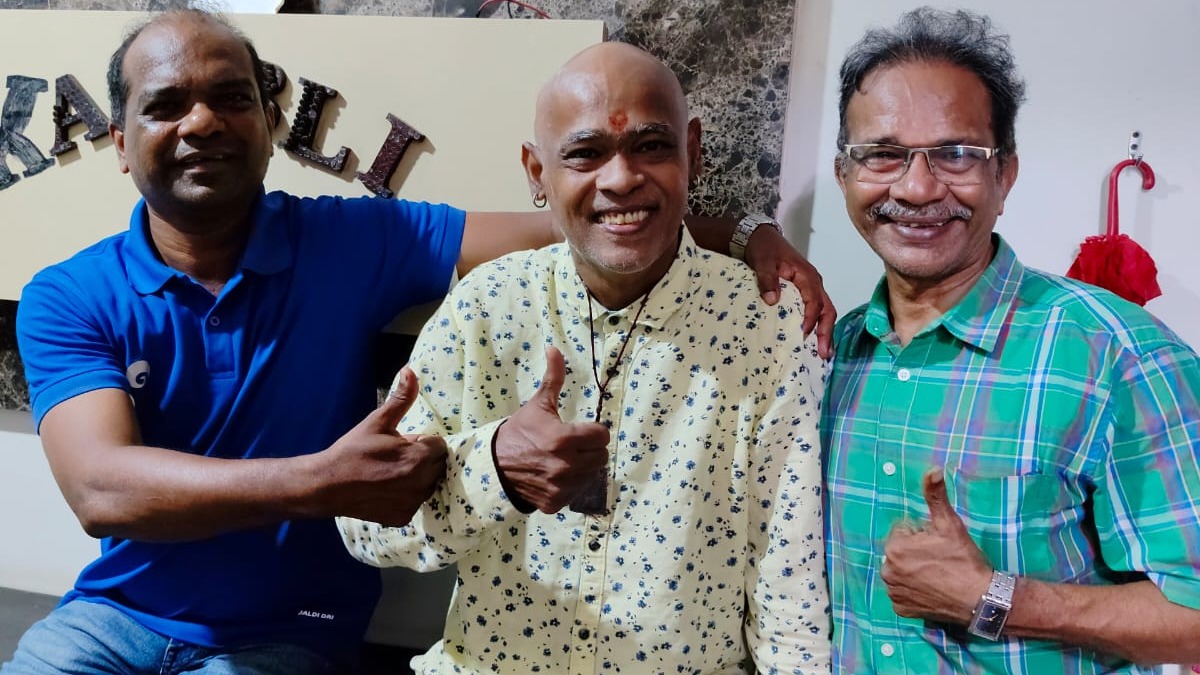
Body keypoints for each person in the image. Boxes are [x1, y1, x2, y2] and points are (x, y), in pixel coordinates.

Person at [5, 9, 833, 674]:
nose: (202, 122)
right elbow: (101, 489)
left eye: (231, 98)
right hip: (115, 614)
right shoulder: (68, 295)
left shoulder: (351, 239)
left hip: (288, 630)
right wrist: (324, 480)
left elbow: (581, 215)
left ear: (268, 123)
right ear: (120, 142)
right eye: (165, 106)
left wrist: (746, 233)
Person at [338, 42, 831, 674]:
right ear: (536, 171)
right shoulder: (485, 307)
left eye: (651, 145)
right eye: (585, 153)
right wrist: (493, 469)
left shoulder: (764, 323)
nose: (621, 178)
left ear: (694, 151)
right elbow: (368, 531)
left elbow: (789, 582)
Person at [820, 7, 1200, 674]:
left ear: (1006, 175)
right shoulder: (834, 353)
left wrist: (996, 598)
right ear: (844, 174)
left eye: (957, 154)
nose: (917, 187)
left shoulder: (1118, 354)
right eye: (882, 154)